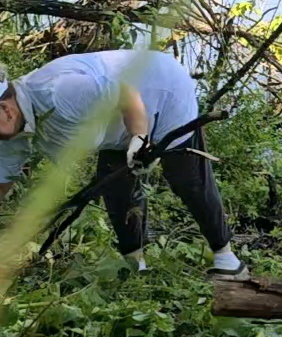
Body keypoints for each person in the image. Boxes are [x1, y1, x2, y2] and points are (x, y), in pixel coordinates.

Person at [0, 48, 247, 278]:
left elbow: (125, 93)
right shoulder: (10, 131)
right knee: (115, 184)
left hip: (159, 90)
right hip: (115, 121)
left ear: (6, 104)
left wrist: (140, 137)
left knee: (186, 176)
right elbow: (3, 178)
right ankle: (135, 264)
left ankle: (227, 258)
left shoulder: (59, 90)